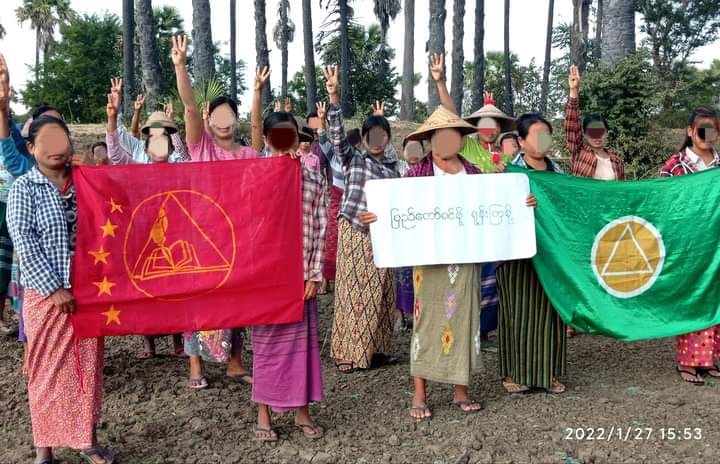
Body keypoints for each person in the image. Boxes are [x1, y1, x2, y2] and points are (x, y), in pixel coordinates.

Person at [6, 115, 115, 464]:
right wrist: (54, 289)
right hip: (45, 295)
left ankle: (87, 441)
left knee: (88, 365)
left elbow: (113, 217)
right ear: (31, 148)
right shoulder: (24, 187)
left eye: (60, 139)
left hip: (89, 288)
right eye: (46, 141)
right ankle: (45, 451)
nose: (55, 148)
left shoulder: (86, 182)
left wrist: (95, 176)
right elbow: (24, 240)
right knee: (46, 369)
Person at [173, 34, 257, 387]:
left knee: (234, 301)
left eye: (230, 115)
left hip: (237, 239)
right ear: (210, 119)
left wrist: (257, 94)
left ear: (236, 119)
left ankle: (235, 361)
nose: (224, 121)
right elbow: (190, 109)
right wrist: (181, 66)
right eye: (217, 115)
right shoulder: (200, 147)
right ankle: (196, 366)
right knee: (199, 302)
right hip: (202, 239)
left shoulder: (249, 155)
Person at [392, 105, 484, 419]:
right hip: (428, 260)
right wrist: (377, 217)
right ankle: (420, 394)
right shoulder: (417, 173)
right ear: (430, 140)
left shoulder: (473, 173)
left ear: (460, 139)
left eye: (452, 135)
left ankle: (461, 389)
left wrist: (518, 203)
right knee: (426, 321)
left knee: (464, 319)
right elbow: (398, 210)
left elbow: (492, 208)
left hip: (465, 257)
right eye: (440, 137)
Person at [325, 65, 406, 373]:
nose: (376, 139)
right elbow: (336, 137)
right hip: (356, 230)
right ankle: (347, 352)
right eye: (371, 134)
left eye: (382, 134)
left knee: (382, 291)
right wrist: (334, 98)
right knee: (351, 290)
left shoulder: (392, 168)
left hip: (383, 235)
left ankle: (377, 350)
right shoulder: (353, 159)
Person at [251, 111, 326, 442]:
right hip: (265, 279)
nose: (285, 140)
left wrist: (314, 274)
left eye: (290, 134)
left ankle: (302, 413)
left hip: (301, 277)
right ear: (267, 139)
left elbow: (321, 228)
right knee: (267, 347)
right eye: (277, 135)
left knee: (302, 347)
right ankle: (263, 413)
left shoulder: (312, 178)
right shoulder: (252, 177)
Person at [105, 82, 186, 360]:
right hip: (143, 235)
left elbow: (185, 154)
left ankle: (178, 340)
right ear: (147, 141)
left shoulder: (179, 166)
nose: (159, 141)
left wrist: (173, 126)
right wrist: (112, 118)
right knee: (145, 285)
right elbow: (114, 153)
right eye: (155, 136)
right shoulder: (137, 166)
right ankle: (149, 343)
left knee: (174, 286)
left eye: (165, 136)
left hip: (173, 231)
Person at [498, 113, 566, 395]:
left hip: (552, 253)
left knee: (550, 311)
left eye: (545, 135)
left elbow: (569, 211)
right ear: (521, 141)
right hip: (517, 255)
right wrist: (517, 204)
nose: (541, 141)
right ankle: (516, 373)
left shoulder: (560, 175)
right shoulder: (508, 175)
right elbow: (496, 212)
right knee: (520, 311)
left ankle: (547, 373)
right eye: (534, 135)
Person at [660, 107, 720, 385]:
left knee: (714, 300)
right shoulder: (676, 166)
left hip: (716, 244)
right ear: (690, 132)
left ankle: (708, 360)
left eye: (714, 129)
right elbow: (662, 202)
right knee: (692, 298)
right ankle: (688, 361)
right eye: (703, 129)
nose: (709, 135)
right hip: (688, 245)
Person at [430, 53, 516, 173]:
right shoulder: (467, 145)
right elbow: (453, 119)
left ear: (500, 129)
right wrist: (441, 82)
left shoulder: (507, 158)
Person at [565, 65, 624, 180]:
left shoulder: (617, 162)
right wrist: (573, 90)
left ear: (606, 133)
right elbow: (572, 125)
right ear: (585, 135)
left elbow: (620, 192)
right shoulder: (579, 152)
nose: (597, 137)